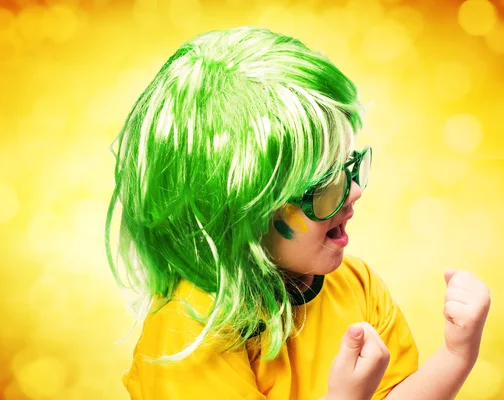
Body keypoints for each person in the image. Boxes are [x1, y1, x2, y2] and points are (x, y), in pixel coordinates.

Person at [105, 27, 491, 399]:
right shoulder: (190, 333)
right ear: (241, 214)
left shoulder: (356, 283)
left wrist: (456, 355)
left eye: (351, 166)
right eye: (323, 187)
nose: (354, 191)